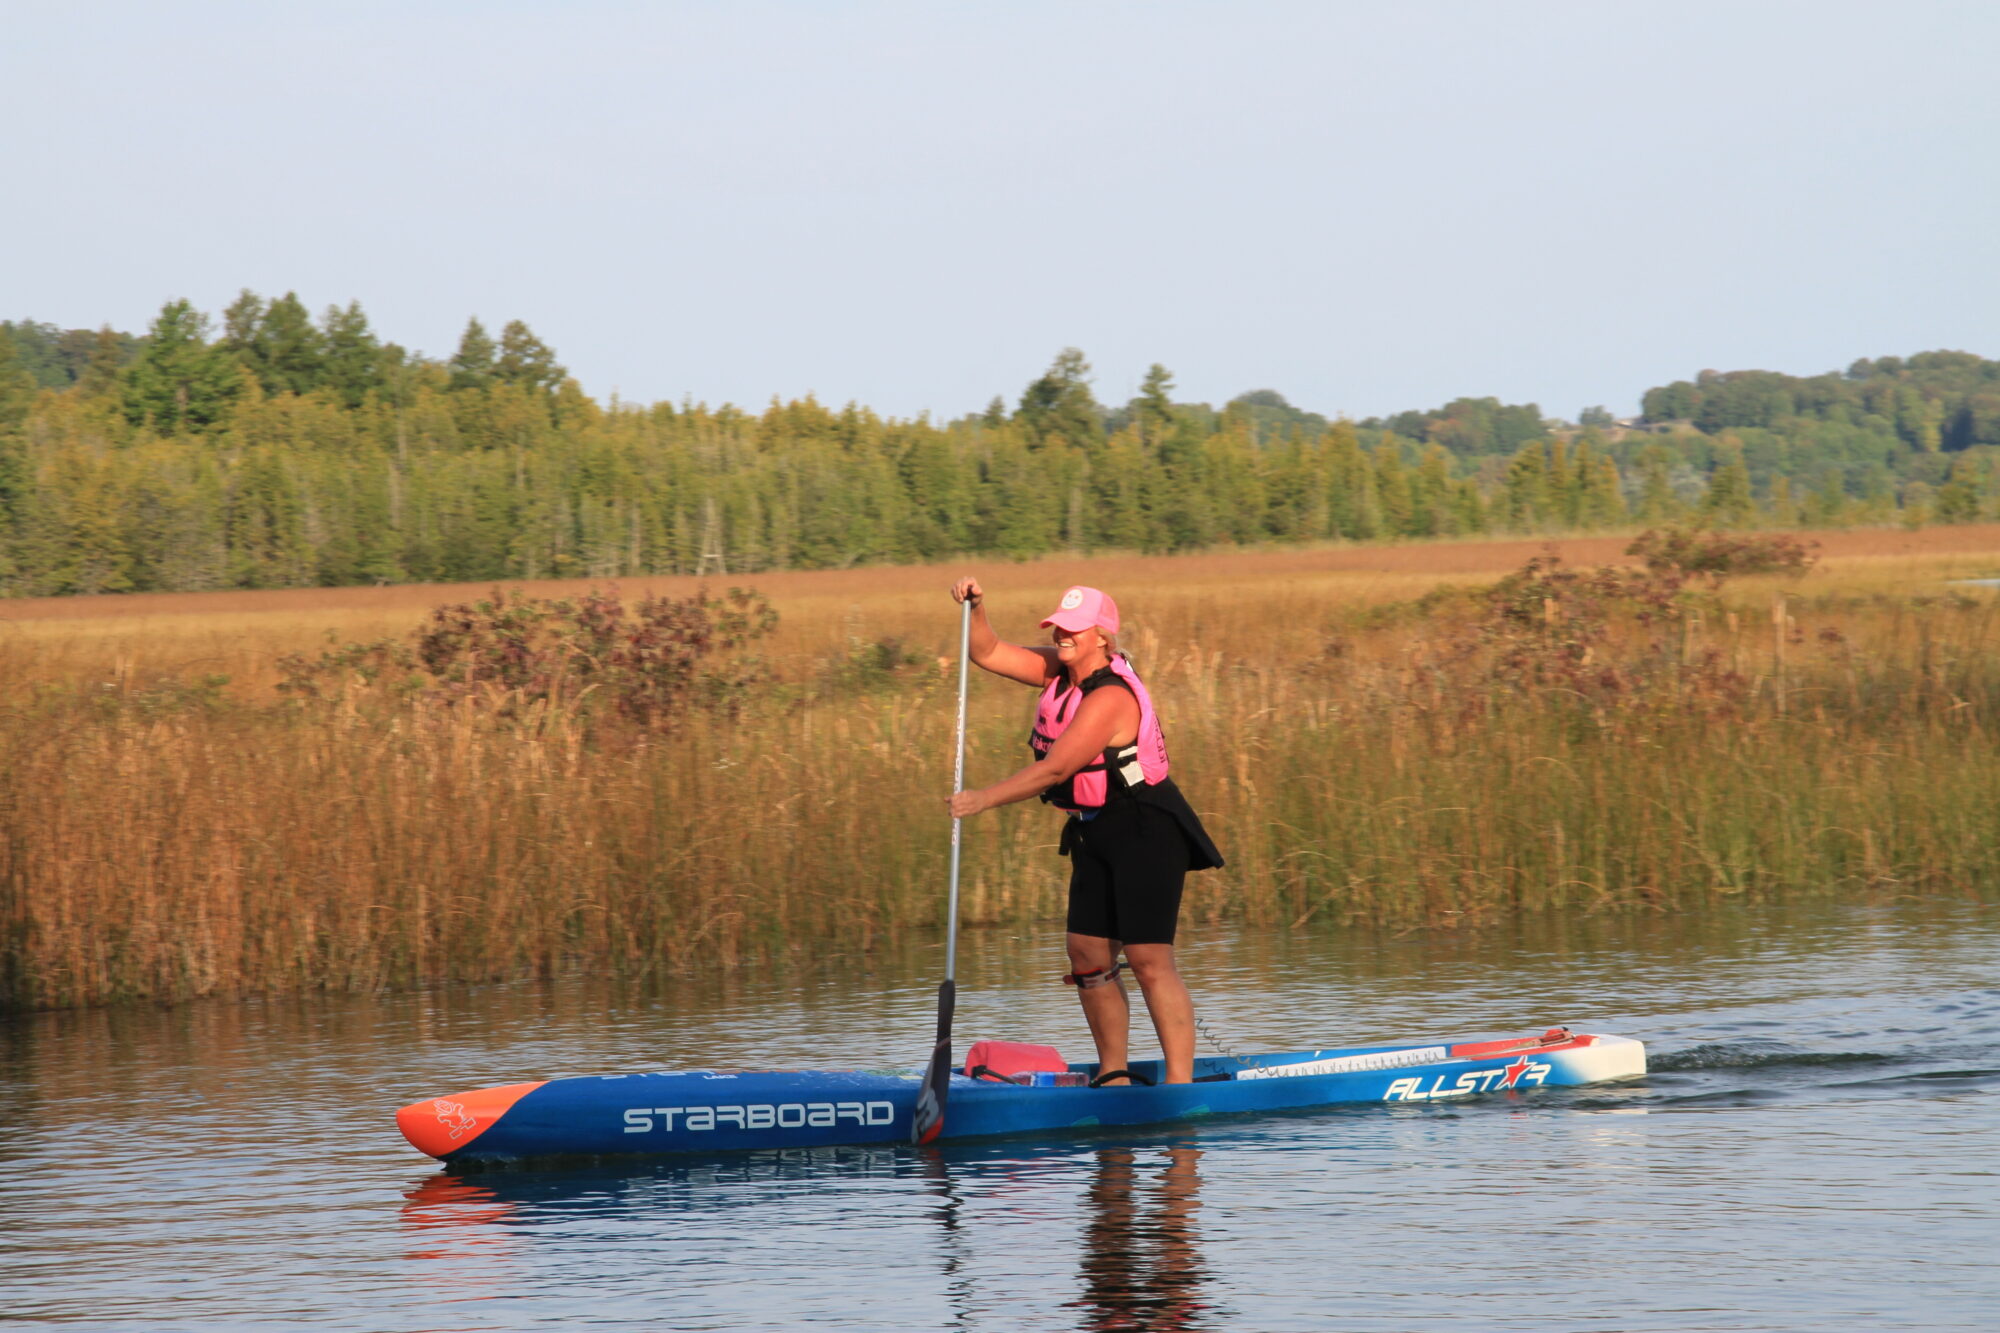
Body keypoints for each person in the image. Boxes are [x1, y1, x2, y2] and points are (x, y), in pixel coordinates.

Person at [947, 578, 1224, 1085]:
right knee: (1088, 954)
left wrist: (982, 798)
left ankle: (1179, 1089)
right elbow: (985, 652)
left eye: (1074, 629)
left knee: (1147, 958)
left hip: (1147, 825)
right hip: (1094, 827)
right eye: (1058, 627)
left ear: (1102, 635)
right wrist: (978, 607)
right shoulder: (1059, 670)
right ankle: (1113, 1076)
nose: (1062, 635)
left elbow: (1055, 771)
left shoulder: (1110, 697)